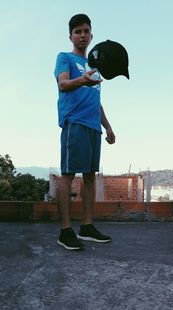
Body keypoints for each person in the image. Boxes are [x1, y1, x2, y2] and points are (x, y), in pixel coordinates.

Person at [54, 14, 115, 250]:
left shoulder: (95, 69)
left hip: (92, 126)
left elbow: (96, 100)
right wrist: (83, 80)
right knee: (68, 175)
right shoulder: (65, 57)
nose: (82, 35)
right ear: (71, 35)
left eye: (85, 31)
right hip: (75, 122)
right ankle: (65, 231)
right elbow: (63, 84)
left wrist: (107, 126)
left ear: (91, 36)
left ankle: (87, 226)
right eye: (77, 31)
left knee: (90, 176)